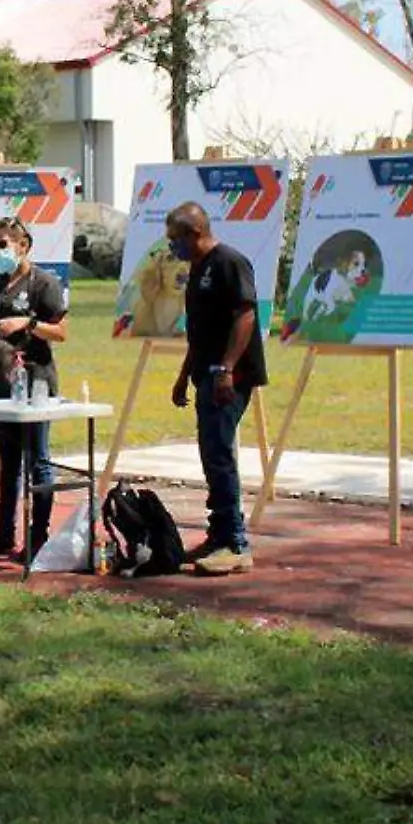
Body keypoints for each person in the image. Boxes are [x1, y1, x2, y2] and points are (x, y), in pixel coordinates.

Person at [166, 201, 267, 577]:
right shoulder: (197, 269)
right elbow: (200, 330)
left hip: (230, 376)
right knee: (211, 453)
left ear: (195, 233)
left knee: (220, 453)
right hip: (204, 373)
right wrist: (183, 375)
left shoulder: (229, 262)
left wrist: (226, 368)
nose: (172, 247)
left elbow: (245, 316)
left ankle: (235, 543)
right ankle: (218, 533)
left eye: (175, 239)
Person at [0, 216, 69, 560]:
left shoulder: (45, 284)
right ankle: (4, 533)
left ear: (23, 245)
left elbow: (61, 331)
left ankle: (39, 536)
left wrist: (30, 323)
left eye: (3, 244)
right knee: (7, 463)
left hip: (35, 382)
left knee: (37, 459)